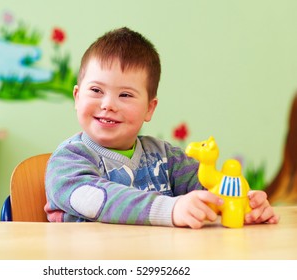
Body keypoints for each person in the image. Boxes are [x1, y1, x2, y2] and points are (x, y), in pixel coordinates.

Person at [44, 27, 279, 229]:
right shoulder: (67, 161)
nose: (108, 105)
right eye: (96, 90)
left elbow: (209, 193)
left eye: (125, 94)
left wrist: (241, 205)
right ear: (77, 97)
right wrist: (170, 209)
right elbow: (99, 199)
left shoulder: (166, 157)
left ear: (149, 108)